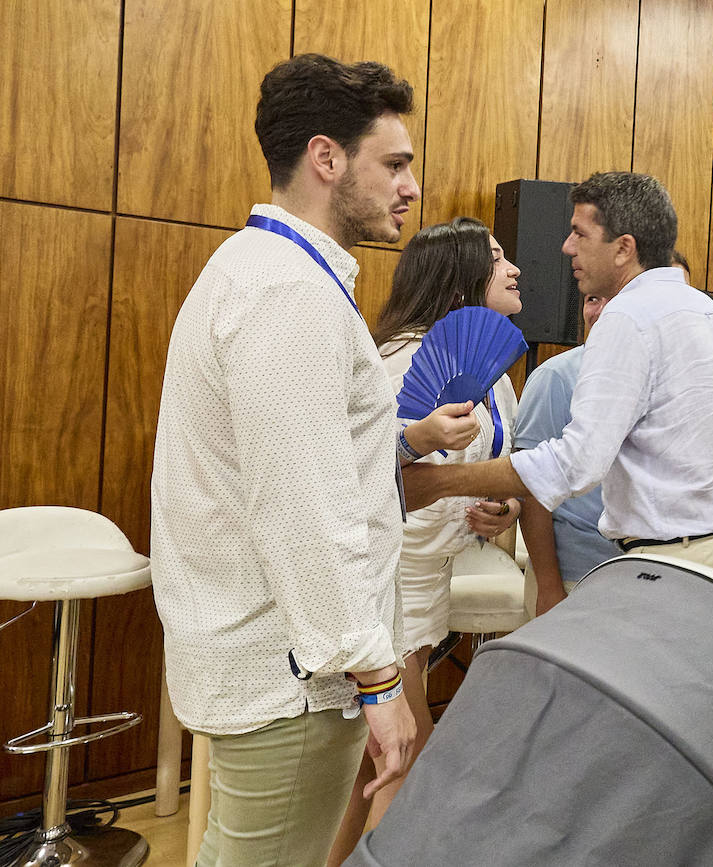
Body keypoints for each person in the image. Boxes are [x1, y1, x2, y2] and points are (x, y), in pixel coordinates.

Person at [149, 54, 476, 866]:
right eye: (394, 164)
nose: (411, 188)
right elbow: (303, 507)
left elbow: (305, 454)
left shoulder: (268, 273)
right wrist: (378, 678)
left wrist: (403, 441)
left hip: (279, 655)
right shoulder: (288, 292)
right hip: (292, 672)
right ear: (327, 159)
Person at [401, 171, 713, 590]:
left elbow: (576, 465)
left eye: (579, 234)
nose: (566, 247)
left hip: (676, 559)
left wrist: (438, 483)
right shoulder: (705, 308)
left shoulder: (629, 315)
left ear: (623, 248)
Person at [328, 217, 525, 864]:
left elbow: (504, 468)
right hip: (384, 577)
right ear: (460, 281)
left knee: (370, 771)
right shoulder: (399, 362)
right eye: (496, 258)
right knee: (404, 759)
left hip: (434, 572)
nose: (513, 268)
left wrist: (504, 506)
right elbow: (360, 477)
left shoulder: (495, 374)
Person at [514, 291, 621, 616]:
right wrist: (549, 585)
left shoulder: (655, 378)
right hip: (572, 576)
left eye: (614, 301)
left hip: (636, 574)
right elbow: (531, 489)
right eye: (592, 299)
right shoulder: (556, 377)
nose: (599, 311)